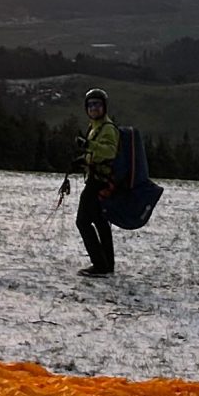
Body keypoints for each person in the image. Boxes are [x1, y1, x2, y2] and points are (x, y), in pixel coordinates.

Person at [73, 88, 119, 277]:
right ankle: (107, 264)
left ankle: (99, 265)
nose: (93, 108)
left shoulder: (107, 128)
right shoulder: (96, 127)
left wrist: (88, 145)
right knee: (100, 222)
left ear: (104, 107)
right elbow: (98, 154)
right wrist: (84, 160)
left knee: (83, 221)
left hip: (98, 182)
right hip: (101, 179)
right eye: (90, 105)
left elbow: (110, 152)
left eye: (97, 104)